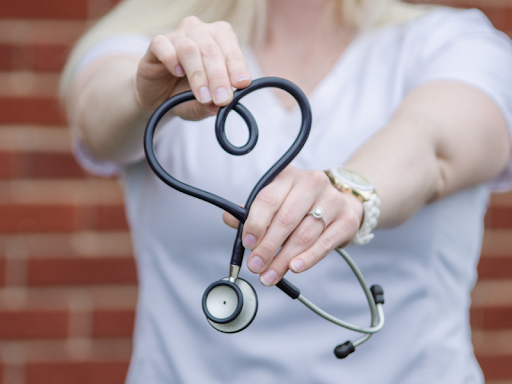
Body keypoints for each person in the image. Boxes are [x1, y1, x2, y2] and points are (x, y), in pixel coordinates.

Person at [61, 0, 512, 382]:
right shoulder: (160, 45)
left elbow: (433, 145)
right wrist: (147, 97)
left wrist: (349, 192)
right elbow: (98, 121)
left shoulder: (453, 43)